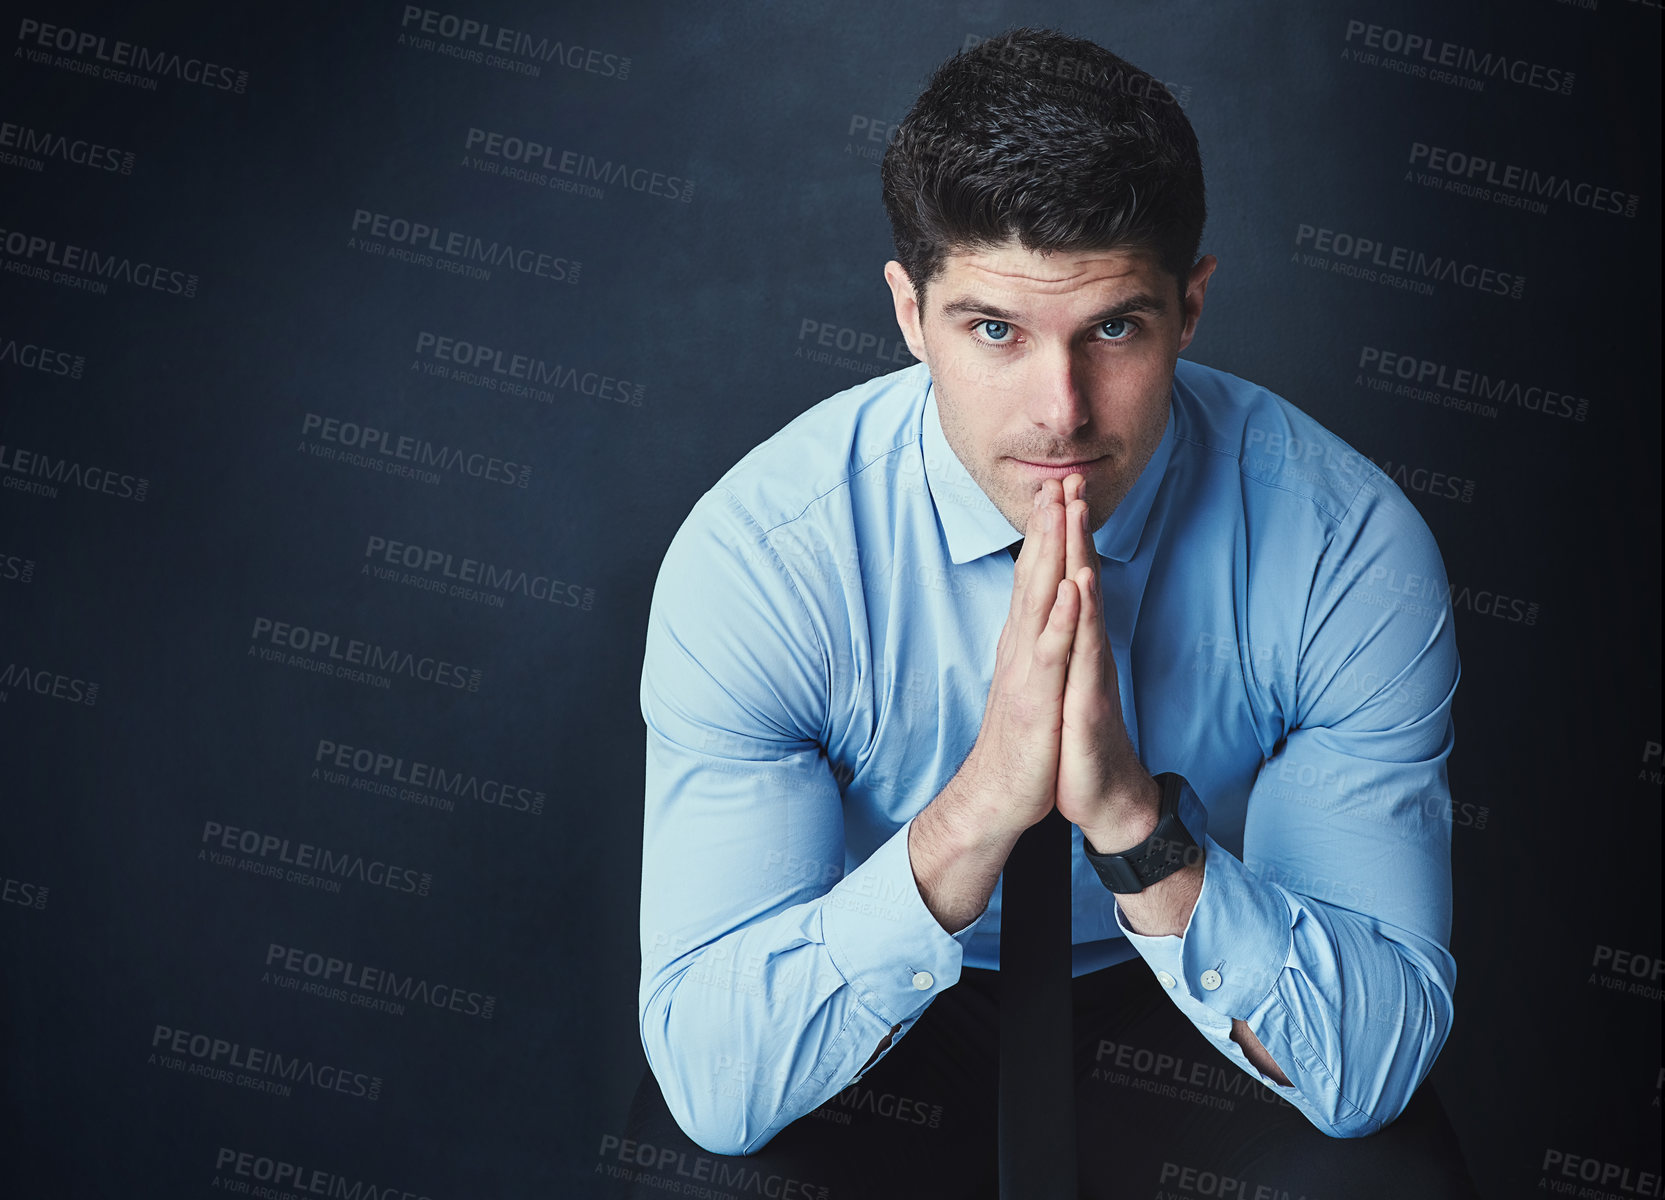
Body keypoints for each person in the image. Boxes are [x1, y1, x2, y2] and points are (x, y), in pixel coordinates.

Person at [620, 26, 1479, 1200]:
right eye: (994, 331)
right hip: (892, 992)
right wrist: (979, 809)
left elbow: (1370, 1065)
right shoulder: (766, 560)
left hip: (1187, 987)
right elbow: (717, 1084)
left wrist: (1132, 823)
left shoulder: (1344, 551)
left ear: (1192, 306)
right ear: (910, 314)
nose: (1061, 411)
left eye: (1114, 328)